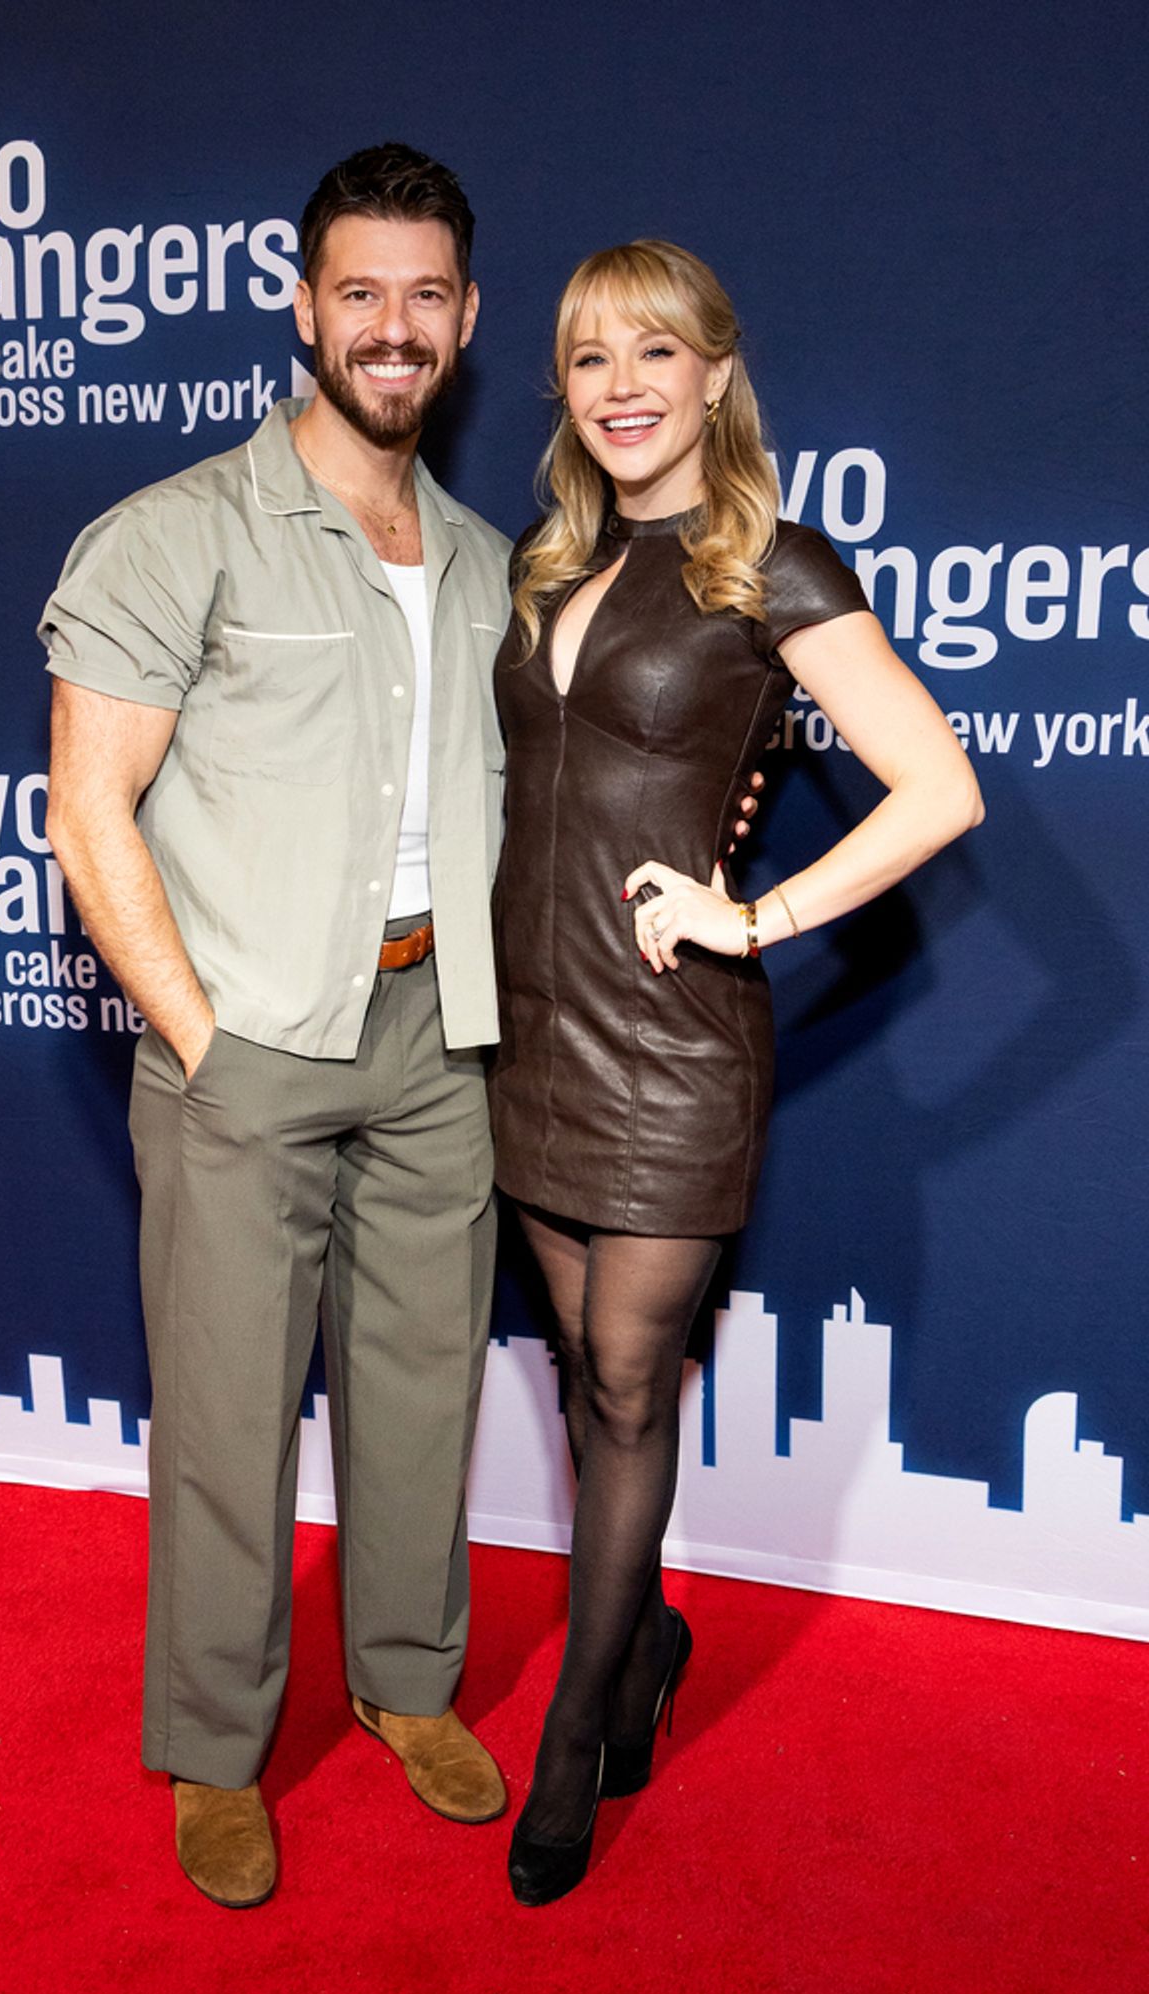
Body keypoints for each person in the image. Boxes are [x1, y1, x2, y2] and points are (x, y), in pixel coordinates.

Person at [38, 143, 516, 1909]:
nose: (392, 327)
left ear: (465, 321)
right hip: (248, 1042)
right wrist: (197, 1032)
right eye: (360, 292)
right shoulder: (175, 533)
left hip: (436, 1039)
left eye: (427, 296)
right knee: (231, 1417)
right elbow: (92, 813)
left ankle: (407, 1686)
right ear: (304, 304)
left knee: (420, 1392)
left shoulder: (478, 559)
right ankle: (215, 1751)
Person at [488, 239, 984, 1905]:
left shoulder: (770, 565)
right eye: (586, 358)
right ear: (560, 388)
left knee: (631, 1384)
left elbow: (937, 789)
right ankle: (645, 1643)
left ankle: (580, 1720)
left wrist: (753, 914)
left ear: (714, 373)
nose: (621, 387)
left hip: (669, 1044)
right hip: (530, 1028)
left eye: (654, 354)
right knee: (581, 1367)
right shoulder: (541, 565)